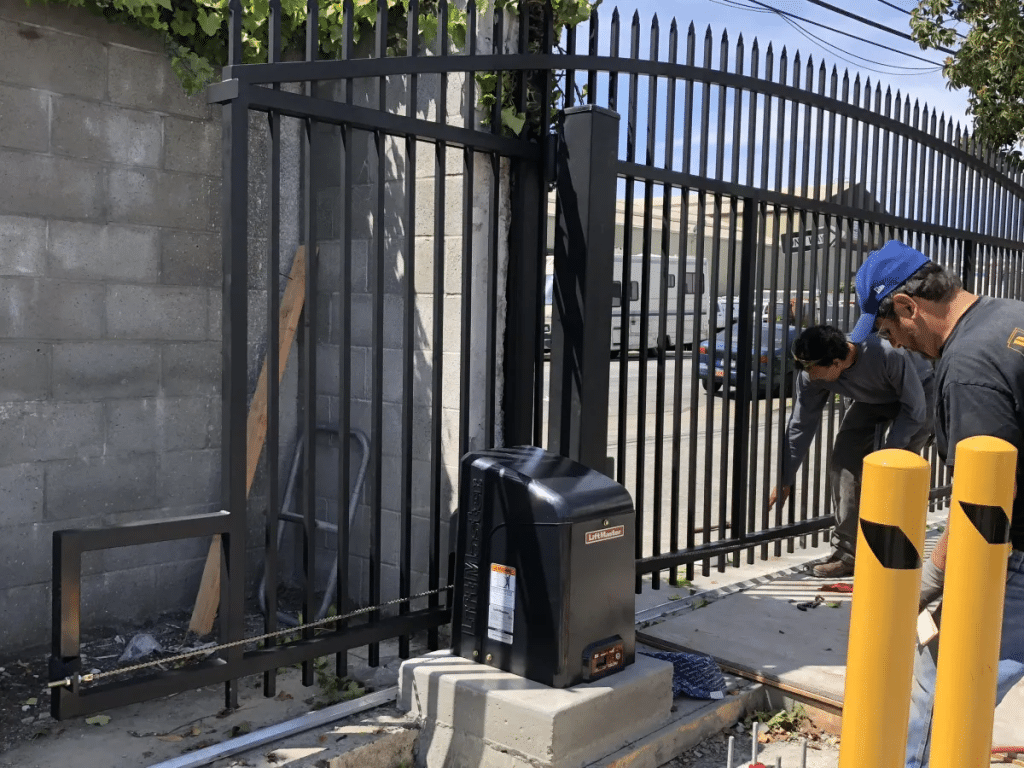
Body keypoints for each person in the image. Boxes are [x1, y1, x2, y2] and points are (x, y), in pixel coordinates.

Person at [849, 239, 1024, 768]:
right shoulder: (1009, 315)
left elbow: (988, 500)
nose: (895, 345)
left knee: (942, 681)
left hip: (1017, 554)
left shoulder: (969, 364)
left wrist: (934, 574)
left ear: (908, 306)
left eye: (889, 331)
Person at [769, 323, 935, 578]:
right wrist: (785, 478)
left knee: (899, 474)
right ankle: (847, 554)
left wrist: (886, 459)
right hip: (871, 401)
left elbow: (914, 411)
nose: (809, 376)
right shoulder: (812, 375)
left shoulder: (886, 354)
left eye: (814, 369)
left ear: (837, 361)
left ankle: (895, 550)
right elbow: (800, 425)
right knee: (844, 464)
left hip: (917, 398)